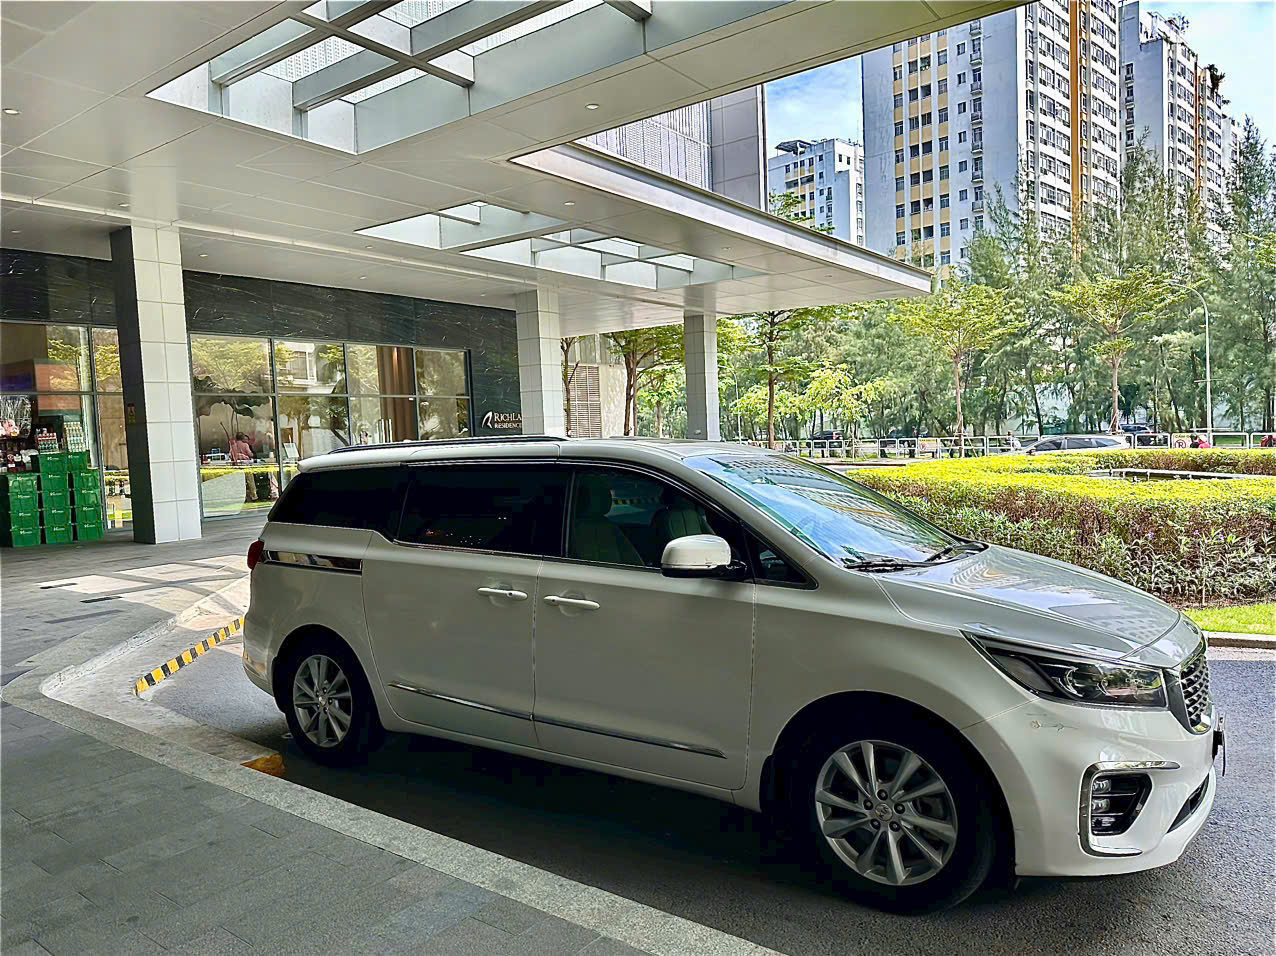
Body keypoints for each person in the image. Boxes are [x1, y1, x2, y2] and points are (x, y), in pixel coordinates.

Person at [230, 433, 257, 502]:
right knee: (250, 480)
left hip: (237, 465)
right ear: (242, 438)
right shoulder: (245, 445)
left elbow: (230, 455)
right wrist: (252, 455)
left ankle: (242, 496)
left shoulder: (233, 445)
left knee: (240, 482)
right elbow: (250, 454)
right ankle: (253, 495)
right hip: (245, 464)